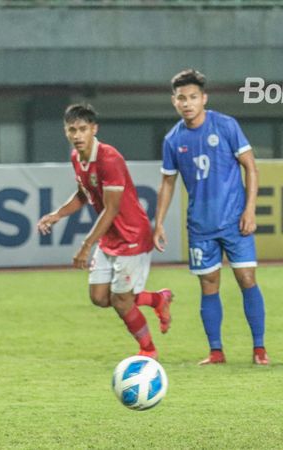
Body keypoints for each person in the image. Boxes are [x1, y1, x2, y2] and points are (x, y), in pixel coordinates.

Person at [37, 103, 173, 360]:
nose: (77, 135)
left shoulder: (109, 159)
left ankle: (148, 350)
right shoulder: (77, 157)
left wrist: (86, 245)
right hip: (110, 237)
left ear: (94, 129)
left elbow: (111, 209)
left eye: (82, 129)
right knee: (99, 297)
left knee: (122, 301)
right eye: (71, 130)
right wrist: (58, 214)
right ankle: (157, 299)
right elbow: (83, 193)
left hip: (132, 236)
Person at [153, 69, 268, 366]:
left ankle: (259, 349)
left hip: (235, 221)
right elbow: (168, 182)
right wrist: (159, 223)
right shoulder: (172, 139)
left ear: (204, 98)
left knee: (246, 278)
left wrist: (250, 209)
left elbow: (251, 167)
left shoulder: (226, 126)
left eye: (193, 97)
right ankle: (216, 351)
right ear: (174, 102)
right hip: (201, 226)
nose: (187, 103)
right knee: (208, 285)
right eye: (181, 98)